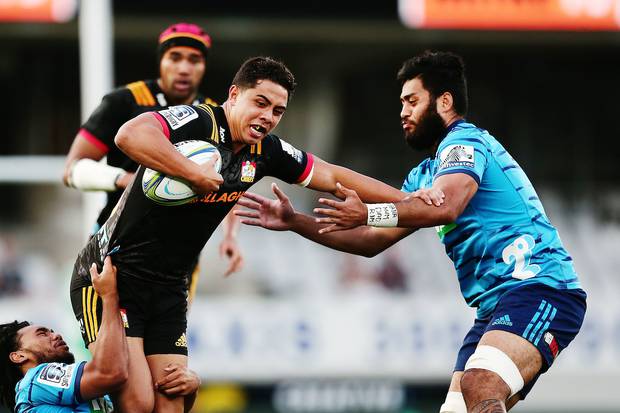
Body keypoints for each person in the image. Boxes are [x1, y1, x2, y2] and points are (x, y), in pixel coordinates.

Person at [234, 51, 587, 413]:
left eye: (412, 101)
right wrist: (297, 223)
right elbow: (371, 242)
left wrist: (368, 211)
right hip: (494, 307)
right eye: (402, 103)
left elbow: (447, 207)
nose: (403, 112)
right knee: (461, 405)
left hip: (541, 288)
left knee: (480, 383)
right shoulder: (422, 177)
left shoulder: (466, 142)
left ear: (444, 101)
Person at [69, 56, 411, 413]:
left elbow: (332, 175)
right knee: (137, 404)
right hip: (110, 277)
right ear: (233, 95)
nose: (268, 116)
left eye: (277, 110)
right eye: (260, 103)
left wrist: (409, 200)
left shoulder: (267, 151)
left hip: (169, 286)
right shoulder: (198, 119)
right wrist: (192, 173)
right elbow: (130, 134)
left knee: (171, 402)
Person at [62, 22, 244, 286]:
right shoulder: (123, 102)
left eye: (194, 60)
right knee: (108, 328)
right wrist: (127, 180)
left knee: (171, 330)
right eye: (175, 57)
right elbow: (72, 170)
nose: (184, 68)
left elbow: (233, 179)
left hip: (180, 252)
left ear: (204, 66)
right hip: (117, 242)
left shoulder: (217, 114)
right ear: (161, 61)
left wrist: (230, 235)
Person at [0, 257, 126, 412]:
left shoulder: (87, 389)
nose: (56, 335)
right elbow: (110, 372)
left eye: (51, 331)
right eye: (42, 334)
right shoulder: (34, 380)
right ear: (18, 356)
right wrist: (109, 296)